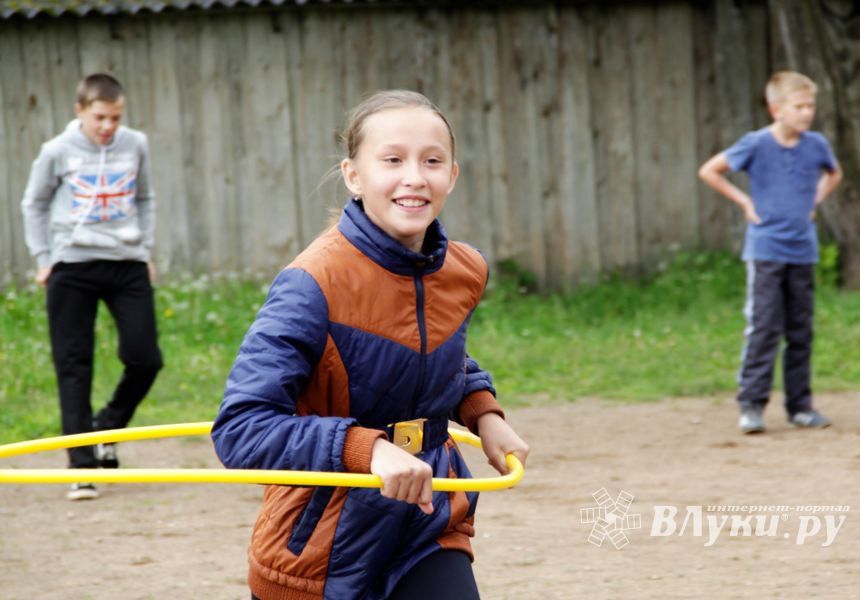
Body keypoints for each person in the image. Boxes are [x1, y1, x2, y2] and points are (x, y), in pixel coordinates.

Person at [212, 90, 529, 600]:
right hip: (321, 549)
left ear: (452, 175)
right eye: (392, 160)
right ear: (354, 175)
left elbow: (431, 357)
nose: (414, 177)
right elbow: (240, 428)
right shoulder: (312, 283)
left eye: (432, 160)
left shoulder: (463, 270)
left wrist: (482, 411)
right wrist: (369, 450)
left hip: (426, 524)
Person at [21, 73, 163, 499]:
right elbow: (34, 203)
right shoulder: (56, 151)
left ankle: (107, 425)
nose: (108, 127)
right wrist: (44, 260)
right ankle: (81, 465)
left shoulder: (135, 144)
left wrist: (146, 250)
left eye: (115, 118)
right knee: (74, 363)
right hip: (72, 266)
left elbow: (145, 198)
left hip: (126, 263)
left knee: (145, 357)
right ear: (80, 110)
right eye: (100, 117)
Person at [698, 70, 843, 434]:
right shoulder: (755, 144)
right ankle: (751, 406)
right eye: (799, 106)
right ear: (776, 108)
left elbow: (834, 174)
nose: (807, 113)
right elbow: (710, 171)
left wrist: (816, 200)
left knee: (800, 330)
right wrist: (745, 202)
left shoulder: (816, 145)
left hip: (803, 251)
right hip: (765, 251)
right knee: (764, 327)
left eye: (811, 106)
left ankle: (800, 407)